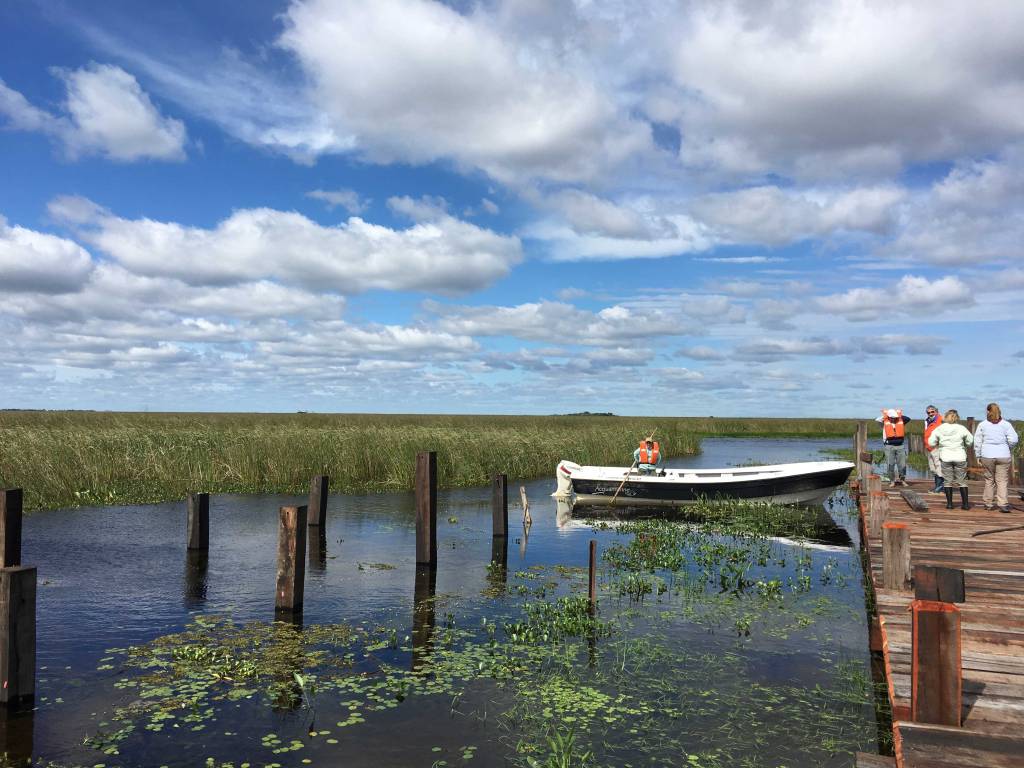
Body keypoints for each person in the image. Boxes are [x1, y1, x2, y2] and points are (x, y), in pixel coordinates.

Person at [974, 402, 1019, 513]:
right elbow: (1014, 439)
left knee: (989, 480)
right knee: (1002, 481)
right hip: (1003, 455)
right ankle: (1003, 503)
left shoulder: (982, 425)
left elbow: (977, 441)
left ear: (988, 411)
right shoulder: (1006, 424)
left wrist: (978, 455)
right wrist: (1007, 446)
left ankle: (988, 503)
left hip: (987, 455)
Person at [928, 409, 974, 510]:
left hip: (946, 457)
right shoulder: (962, 428)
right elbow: (970, 441)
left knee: (947, 481)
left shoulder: (940, 429)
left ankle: (949, 504)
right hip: (960, 457)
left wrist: (939, 444)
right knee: (962, 481)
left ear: (945, 417)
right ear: (957, 417)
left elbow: (931, 442)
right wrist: (964, 444)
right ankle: (965, 504)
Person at [876, 408, 912, 487]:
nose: (893, 418)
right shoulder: (884, 423)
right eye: (891, 417)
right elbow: (877, 420)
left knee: (902, 465)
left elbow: (908, 419)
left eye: (894, 417)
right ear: (888, 416)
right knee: (890, 464)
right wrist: (886, 415)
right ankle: (892, 481)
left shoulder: (900, 421)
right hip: (889, 446)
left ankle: (902, 480)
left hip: (900, 446)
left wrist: (899, 414)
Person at [923, 405, 944, 494]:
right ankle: (937, 486)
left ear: (936, 411)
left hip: (937, 447)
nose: (930, 414)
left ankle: (940, 488)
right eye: (928, 412)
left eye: (932, 412)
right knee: (932, 468)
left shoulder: (941, 419)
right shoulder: (927, 421)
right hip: (929, 448)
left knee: (938, 466)